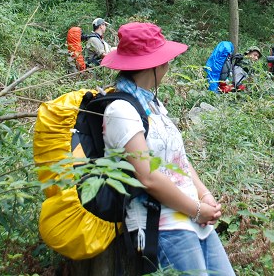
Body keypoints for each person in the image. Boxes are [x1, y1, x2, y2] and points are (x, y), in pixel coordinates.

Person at [100, 22, 235, 275]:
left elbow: (179, 159)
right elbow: (148, 178)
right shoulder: (121, 110)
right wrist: (196, 210)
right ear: (153, 64)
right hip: (163, 225)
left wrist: (204, 196)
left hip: (194, 218)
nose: (167, 66)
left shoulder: (154, 104)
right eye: (165, 60)